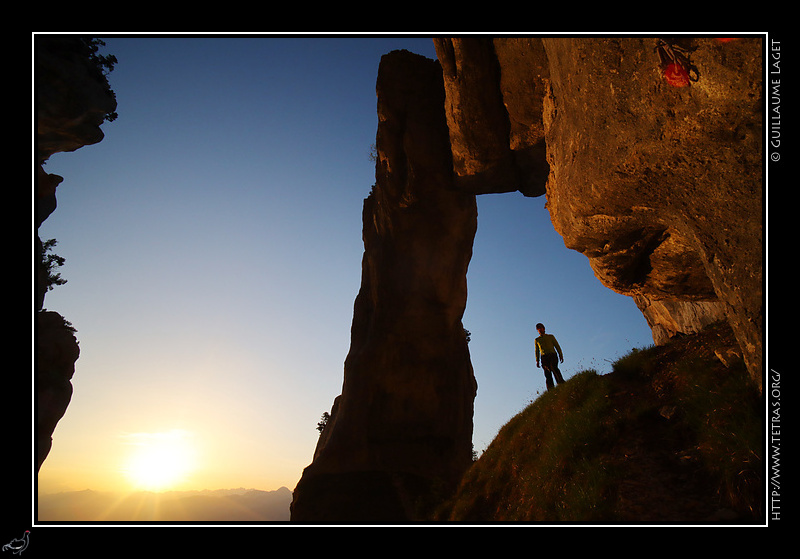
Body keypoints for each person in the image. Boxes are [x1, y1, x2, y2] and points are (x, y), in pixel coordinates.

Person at [535, 322, 565, 390]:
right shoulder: (537, 340)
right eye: (538, 329)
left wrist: (561, 355)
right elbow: (537, 351)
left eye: (541, 328)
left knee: (554, 367)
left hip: (552, 355)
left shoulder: (550, 337)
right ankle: (551, 389)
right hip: (544, 357)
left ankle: (561, 383)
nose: (540, 330)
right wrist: (537, 360)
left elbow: (557, 346)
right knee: (547, 373)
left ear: (544, 329)